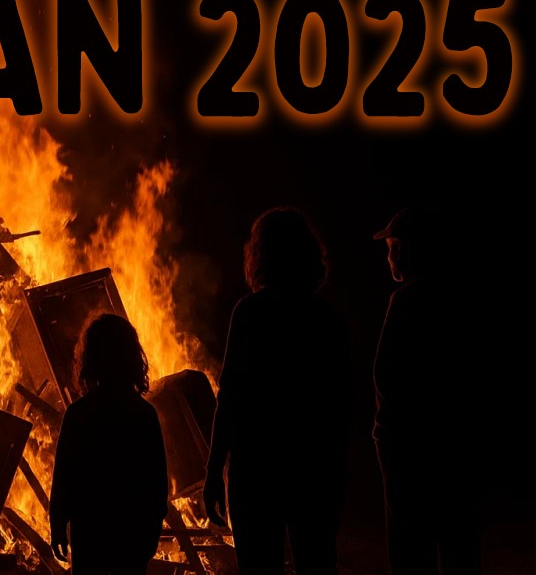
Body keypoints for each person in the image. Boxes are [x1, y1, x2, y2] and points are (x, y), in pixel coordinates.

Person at [203, 208, 350, 575]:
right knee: (317, 564)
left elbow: (230, 397)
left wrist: (214, 469)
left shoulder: (250, 313)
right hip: (313, 468)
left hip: (257, 471)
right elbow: (341, 403)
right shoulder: (327, 319)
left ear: (261, 254)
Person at [372, 207, 482, 575]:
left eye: (391, 249)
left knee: (410, 550)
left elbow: (386, 376)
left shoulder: (406, 300)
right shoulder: (463, 299)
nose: (389, 258)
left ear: (404, 251)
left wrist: (385, 436)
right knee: (459, 546)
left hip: (410, 451)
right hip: (459, 446)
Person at [48, 314, 169, 574]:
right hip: (132, 538)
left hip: (90, 538)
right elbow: (158, 485)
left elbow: (64, 479)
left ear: (91, 359)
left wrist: (57, 525)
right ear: (132, 358)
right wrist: (149, 536)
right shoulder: (144, 414)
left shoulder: (78, 414)